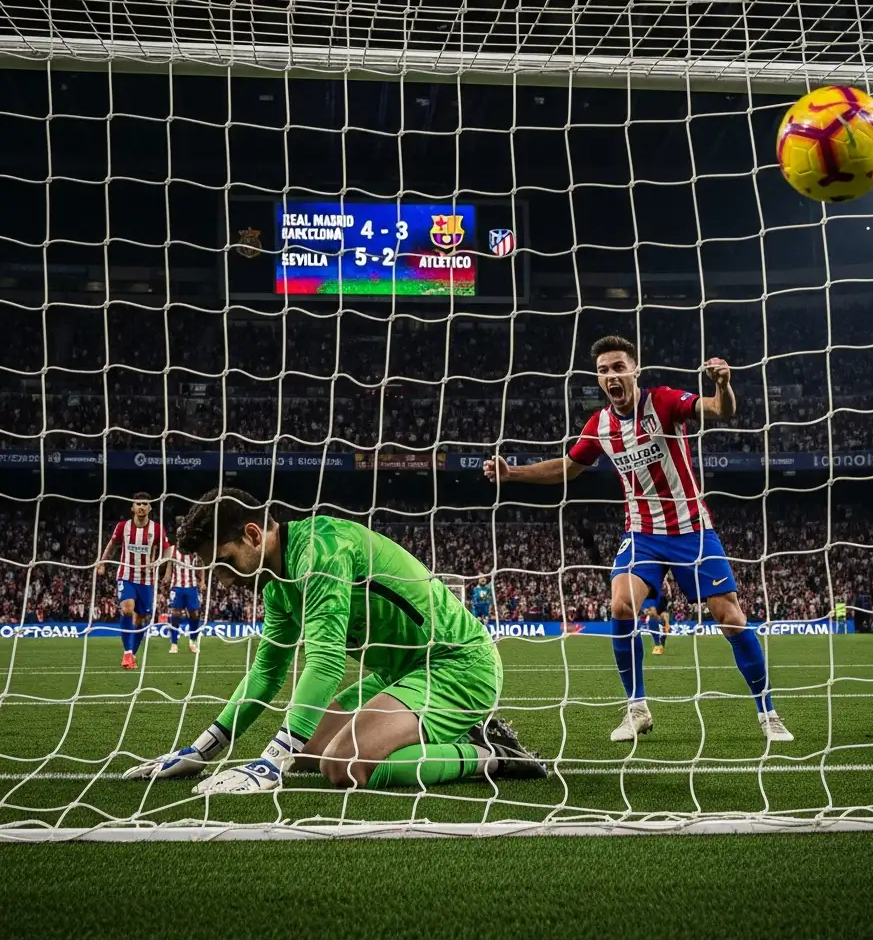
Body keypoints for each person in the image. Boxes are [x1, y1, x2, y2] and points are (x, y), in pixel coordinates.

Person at [123, 488, 546, 793]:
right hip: (403, 671)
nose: (225, 580)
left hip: (458, 665)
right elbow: (267, 672)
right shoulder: (277, 583)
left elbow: (326, 664)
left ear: (253, 535)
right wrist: (200, 751)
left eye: (225, 562)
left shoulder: (321, 553)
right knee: (307, 751)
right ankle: (443, 732)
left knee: (343, 765)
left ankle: (489, 753)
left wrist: (271, 762)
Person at [484, 335, 792, 743]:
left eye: (618, 367)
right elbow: (568, 467)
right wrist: (513, 474)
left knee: (730, 618)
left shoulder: (663, 402)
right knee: (620, 604)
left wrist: (722, 384)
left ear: (634, 370)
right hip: (642, 534)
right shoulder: (600, 426)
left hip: (691, 529)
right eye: (603, 371)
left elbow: (720, 409)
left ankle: (768, 713)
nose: (611, 375)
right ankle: (637, 709)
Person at [96, 492, 168, 670]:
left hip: (147, 580)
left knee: (141, 620)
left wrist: (161, 561)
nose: (141, 507)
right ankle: (127, 651)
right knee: (127, 609)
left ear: (150, 508)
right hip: (126, 575)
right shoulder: (123, 526)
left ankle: (131, 655)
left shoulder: (157, 529)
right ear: (132, 507)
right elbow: (112, 544)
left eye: (145, 504)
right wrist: (102, 563)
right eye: (138, 504)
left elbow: (167, 549)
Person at [162, 517, 204, 654]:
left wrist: (202, 581)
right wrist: (166, 577)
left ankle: (192, 641)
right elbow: (169, 565)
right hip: (177, 586)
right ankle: (174, 644)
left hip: (191, 586)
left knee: (194, 614)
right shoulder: (172, 550)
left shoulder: (193, 550)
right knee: (175, 613)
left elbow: (201, 565)